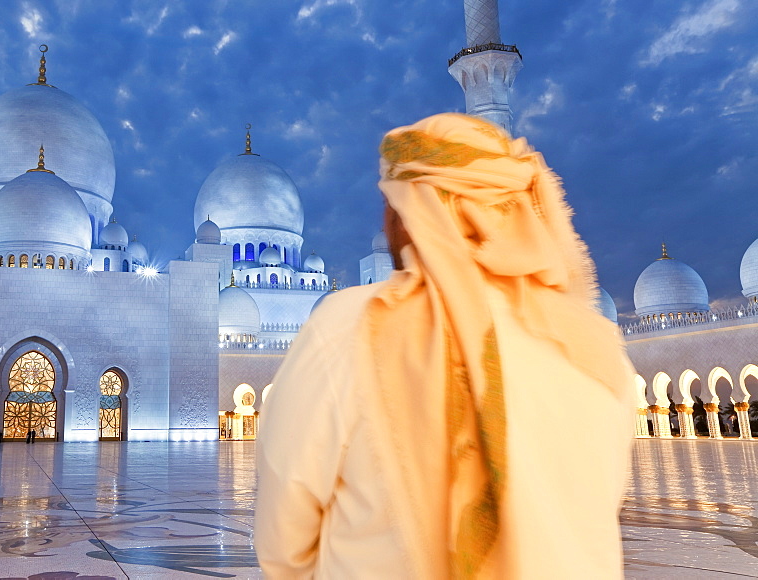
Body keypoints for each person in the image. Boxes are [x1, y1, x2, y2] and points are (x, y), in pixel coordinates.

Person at [254, 113, 635, 579]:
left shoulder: (350, 328)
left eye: (393, 202)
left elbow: (283, 539)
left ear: (419, 209)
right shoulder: (595, 346)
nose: (387, 220)